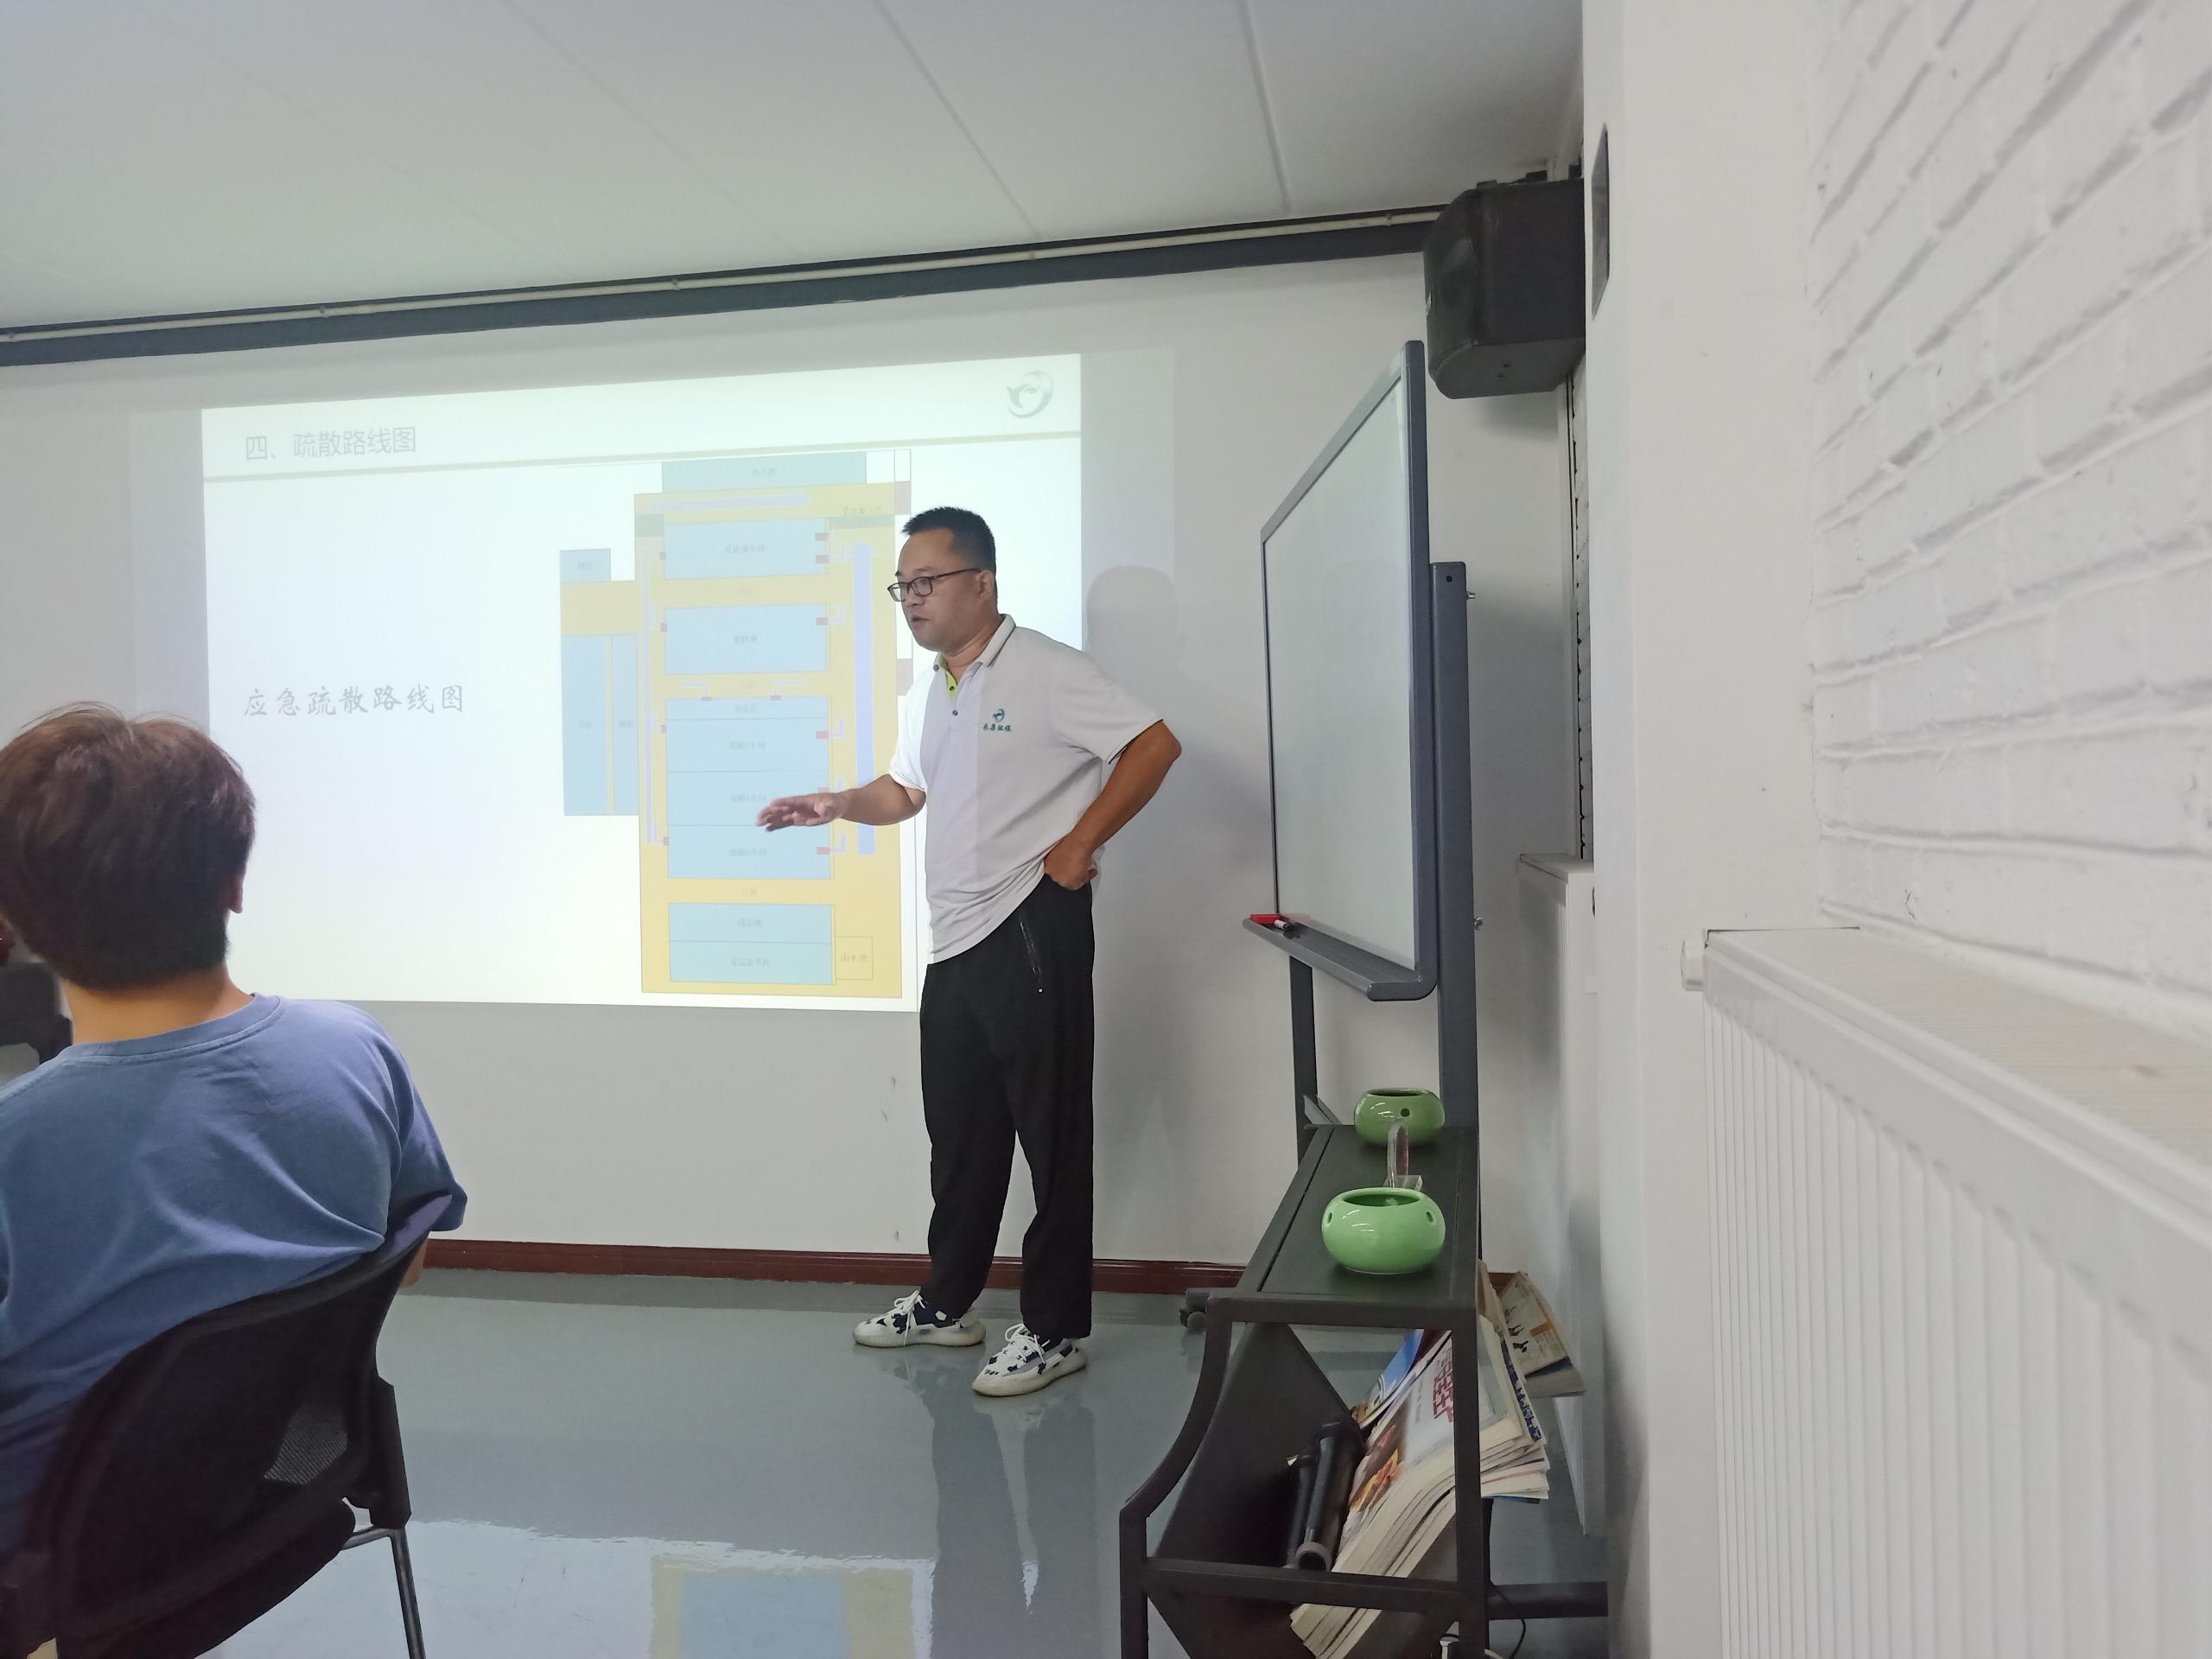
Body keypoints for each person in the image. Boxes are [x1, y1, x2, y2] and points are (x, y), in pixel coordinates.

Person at [0, 706, 467, 1563]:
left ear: (16, 917)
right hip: (265, 1501)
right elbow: (405, 1258)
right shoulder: (354, 1051)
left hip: (46, 1564)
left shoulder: (18, 1142)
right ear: (235, 884)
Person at [760, 507, 1179, 1397]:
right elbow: (906, 789)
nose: (912, 599)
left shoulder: (1047, 670)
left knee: (1052, 1140)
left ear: (980, 584)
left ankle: (1055, 1329)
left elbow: (1154, 744)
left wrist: (1080, 843)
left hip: (1031, 925)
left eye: (927, 582)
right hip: (954, 942)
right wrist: (840, 803)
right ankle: (948, 1303)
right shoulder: (935, 687)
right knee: (960, 1139)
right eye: (902, 586)